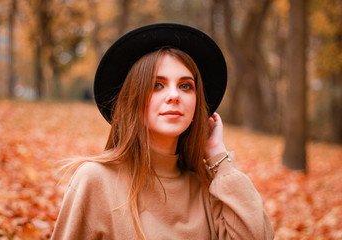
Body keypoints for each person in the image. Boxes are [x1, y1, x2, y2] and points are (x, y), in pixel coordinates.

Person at [51, 23, 274, 240]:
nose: (174, 95)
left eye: (185, 85)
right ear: (133, 98)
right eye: (157, 84)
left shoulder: (209, 188)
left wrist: (219, 156)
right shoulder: (96, 180)